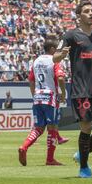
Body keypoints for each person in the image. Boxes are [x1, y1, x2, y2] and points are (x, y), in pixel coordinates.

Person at [53, 1, 92, 178]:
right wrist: (61, 55)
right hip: (81, 89)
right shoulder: (70, 35)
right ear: (79, 16)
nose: (91, 14)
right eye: (86, 11)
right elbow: (55, 57)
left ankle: (80, 154)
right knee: (86, 126)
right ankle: (84, 167)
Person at [18, 37, 66, 166]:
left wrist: (34, 95)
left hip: (38, 96)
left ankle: (24, 147)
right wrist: (63, 93)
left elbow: (31, 80)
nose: (58, 52)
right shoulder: (54, 60)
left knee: (38, 128)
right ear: (52, 49)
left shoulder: (36, 61)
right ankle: (50, 159)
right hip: (50, 97)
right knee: (53, 128)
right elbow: (60, 78)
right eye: (56, 50)